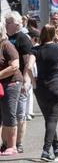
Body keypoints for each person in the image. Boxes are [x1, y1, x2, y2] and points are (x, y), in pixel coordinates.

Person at [31, 24, 58, 161]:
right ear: (53, 34)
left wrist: (33, 82)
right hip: (56, 87)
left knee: (49, 119)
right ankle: (46, 150)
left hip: (40, 88)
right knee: (52, 120)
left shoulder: (36, 50)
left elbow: (29, 66)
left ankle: (56, 146)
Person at [5, 11, 33, 154]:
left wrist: (26, 81)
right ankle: (7, 143)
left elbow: (28, 62)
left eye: (8, 22)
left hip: (19, 81)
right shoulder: (4, 38)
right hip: (5, 82)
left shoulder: (23, 39)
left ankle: (19, 143)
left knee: (19, 113)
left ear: (16, 24)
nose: (5, 24)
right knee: (7, 114)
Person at [0, 21, 23, 156]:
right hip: (1, 84)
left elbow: (15, 66)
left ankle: (12, 146)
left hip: (12, 83)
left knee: (9, 114)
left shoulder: (7, 45)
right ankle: (5, 144)